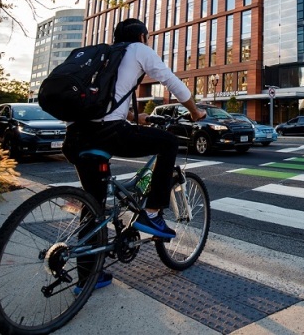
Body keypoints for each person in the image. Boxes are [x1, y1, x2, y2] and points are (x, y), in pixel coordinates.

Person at [62, 18, 206, 290]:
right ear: (141, 36)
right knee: (168, 143)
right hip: (108, 133)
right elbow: (172, 82)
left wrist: (136, 118)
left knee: (93, 204)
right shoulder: (138, 50)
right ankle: (151, 213)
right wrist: (195, 111)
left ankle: (88, 278)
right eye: (147, 37)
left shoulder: (103, 56)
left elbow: (104, 103)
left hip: (75, 137)